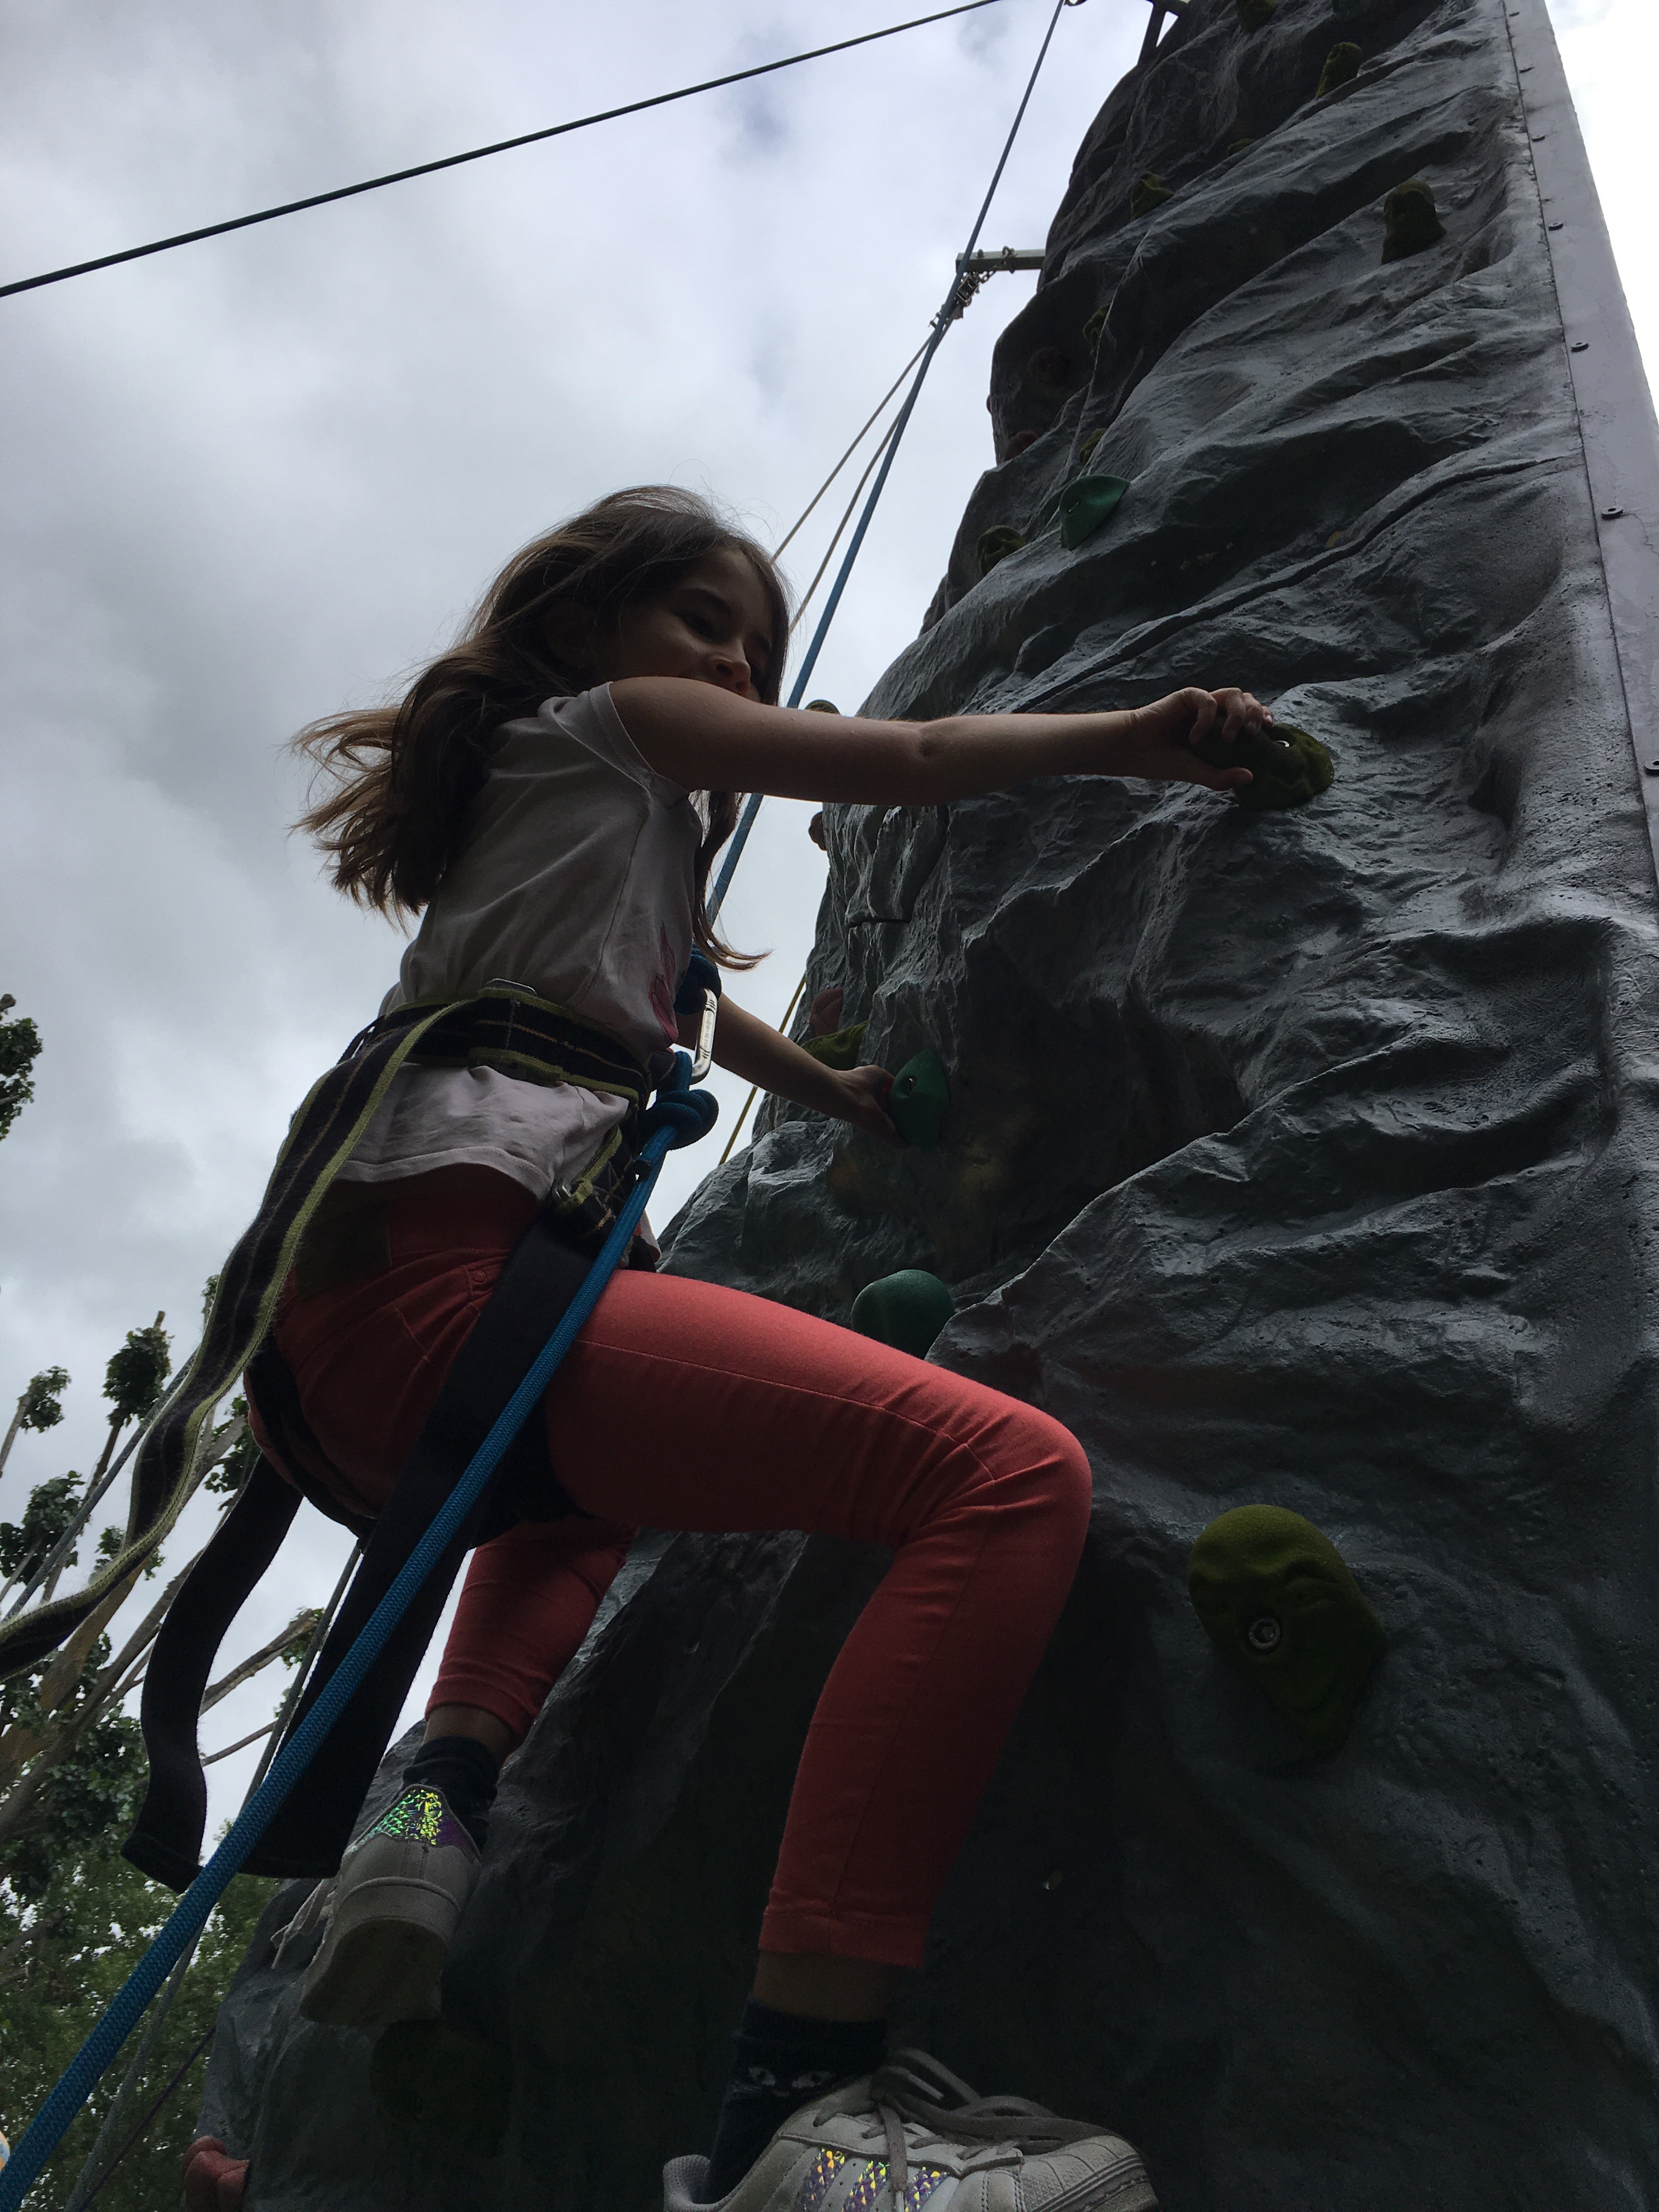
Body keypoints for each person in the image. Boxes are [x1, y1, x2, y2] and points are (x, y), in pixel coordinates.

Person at [233, 485, 1268, 2212]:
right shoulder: (612, 724)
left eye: (756, 650)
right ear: (585, 628)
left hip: (385, 1325)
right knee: (1004, 1477)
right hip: (462, 1287)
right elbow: (912, 757)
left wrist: (838, 1094)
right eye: (702, 623)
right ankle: (802, 2109)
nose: (731, 665)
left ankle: (431, 1813)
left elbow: (692, 1011)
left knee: (576, 1505)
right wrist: (1137, 739)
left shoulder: (572, 825)